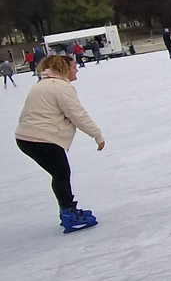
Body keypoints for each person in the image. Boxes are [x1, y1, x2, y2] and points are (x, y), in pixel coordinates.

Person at [14, 55, 105, 233]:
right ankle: (69, 214)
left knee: (60, 173)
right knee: (61, 173)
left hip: (26, 137)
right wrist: (97, 135)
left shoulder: (42, 84)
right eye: (73, 66)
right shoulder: (60, 87)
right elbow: (77, 114)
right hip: (40, 138)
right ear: (64, 69)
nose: (76, 69)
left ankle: (68, 209)